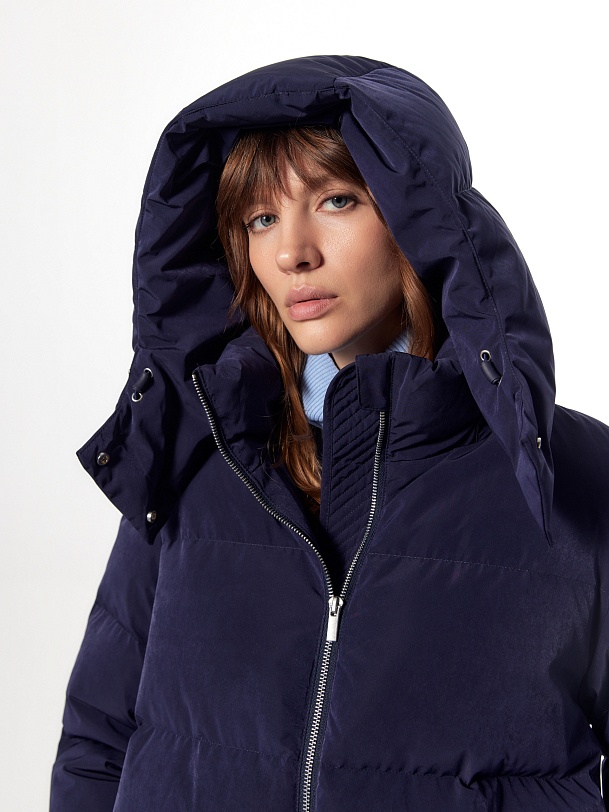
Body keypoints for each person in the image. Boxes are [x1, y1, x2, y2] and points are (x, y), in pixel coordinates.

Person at [50, 56, 609, 811]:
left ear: (421, 221)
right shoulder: (200, 452)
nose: (292, 252)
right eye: (260, 219)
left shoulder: (572, 475)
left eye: (337, 200)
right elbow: (99, 740)